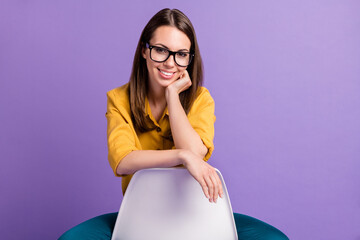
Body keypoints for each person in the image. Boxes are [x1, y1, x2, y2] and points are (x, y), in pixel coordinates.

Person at [59, 8, 289, 240]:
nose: (170, 63)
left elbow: (194, 153)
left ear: (190, 59)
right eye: (160, 50)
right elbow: (123, 161)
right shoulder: (119, 99)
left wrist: (172, 96)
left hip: (197, 215)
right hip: (140, 216)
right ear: (144, 51)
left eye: (181, 54)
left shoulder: (201, 99)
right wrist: (181, 157)